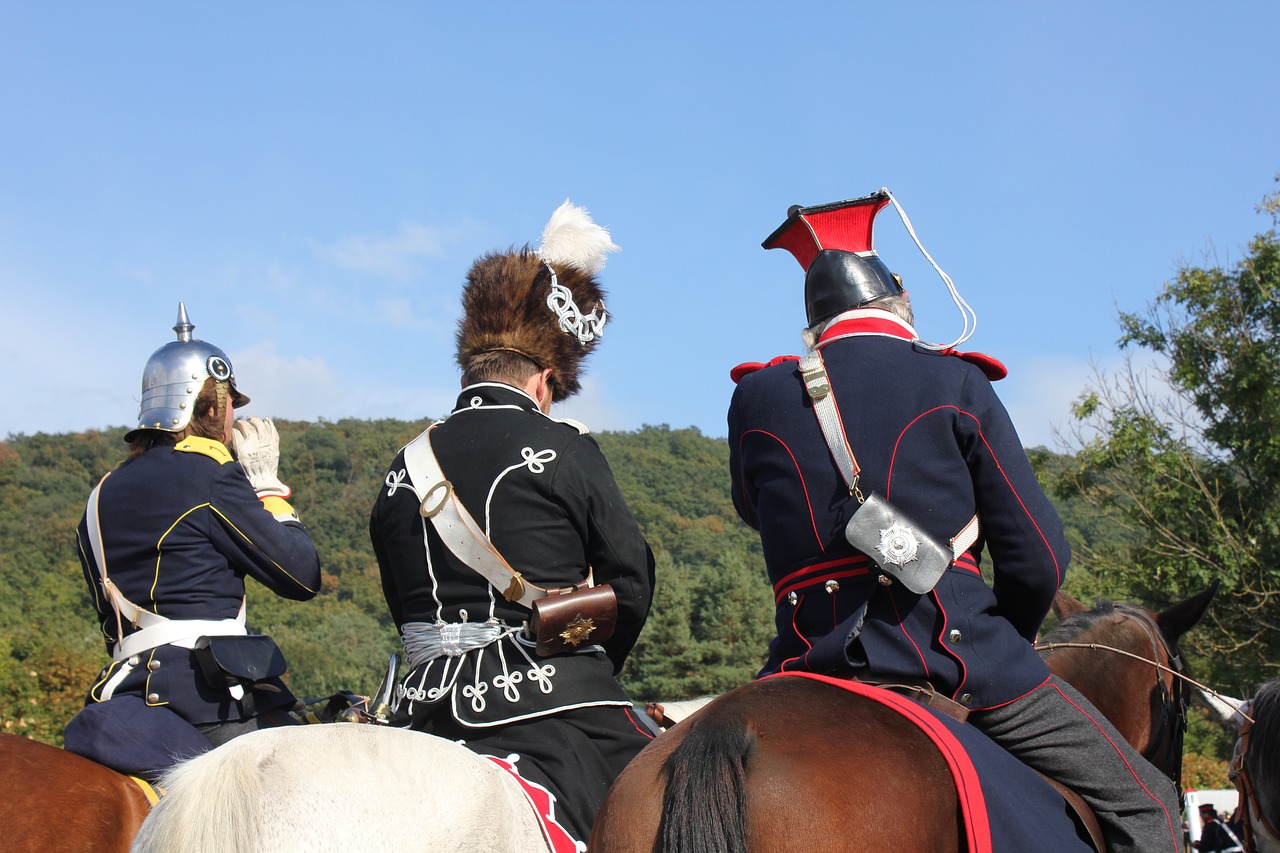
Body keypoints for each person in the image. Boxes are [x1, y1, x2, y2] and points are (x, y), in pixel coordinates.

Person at [727, 190, 1182, 853]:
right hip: (953, 655)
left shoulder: (756, 398)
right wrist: (1003, 641)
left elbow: (752, 510)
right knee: (1151, 802)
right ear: (899, 303)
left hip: (802, 660)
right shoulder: (955, 382)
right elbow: (1038, 558)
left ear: (814, 317)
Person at [370, 201, 656, 846]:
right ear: (547, 380)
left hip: (415, 706)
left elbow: (399, 600)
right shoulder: (566, 446)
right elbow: (631, 582)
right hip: (547, 699)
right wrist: (584, 656)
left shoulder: (399, 467)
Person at [64, 304, 321, 779]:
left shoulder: (98, 494)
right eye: (229, 409)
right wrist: (266, 485)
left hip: (121, 695)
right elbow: (301, 575)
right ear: (207, 408)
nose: (232, 425)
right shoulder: (210, 475)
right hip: (206, 698)